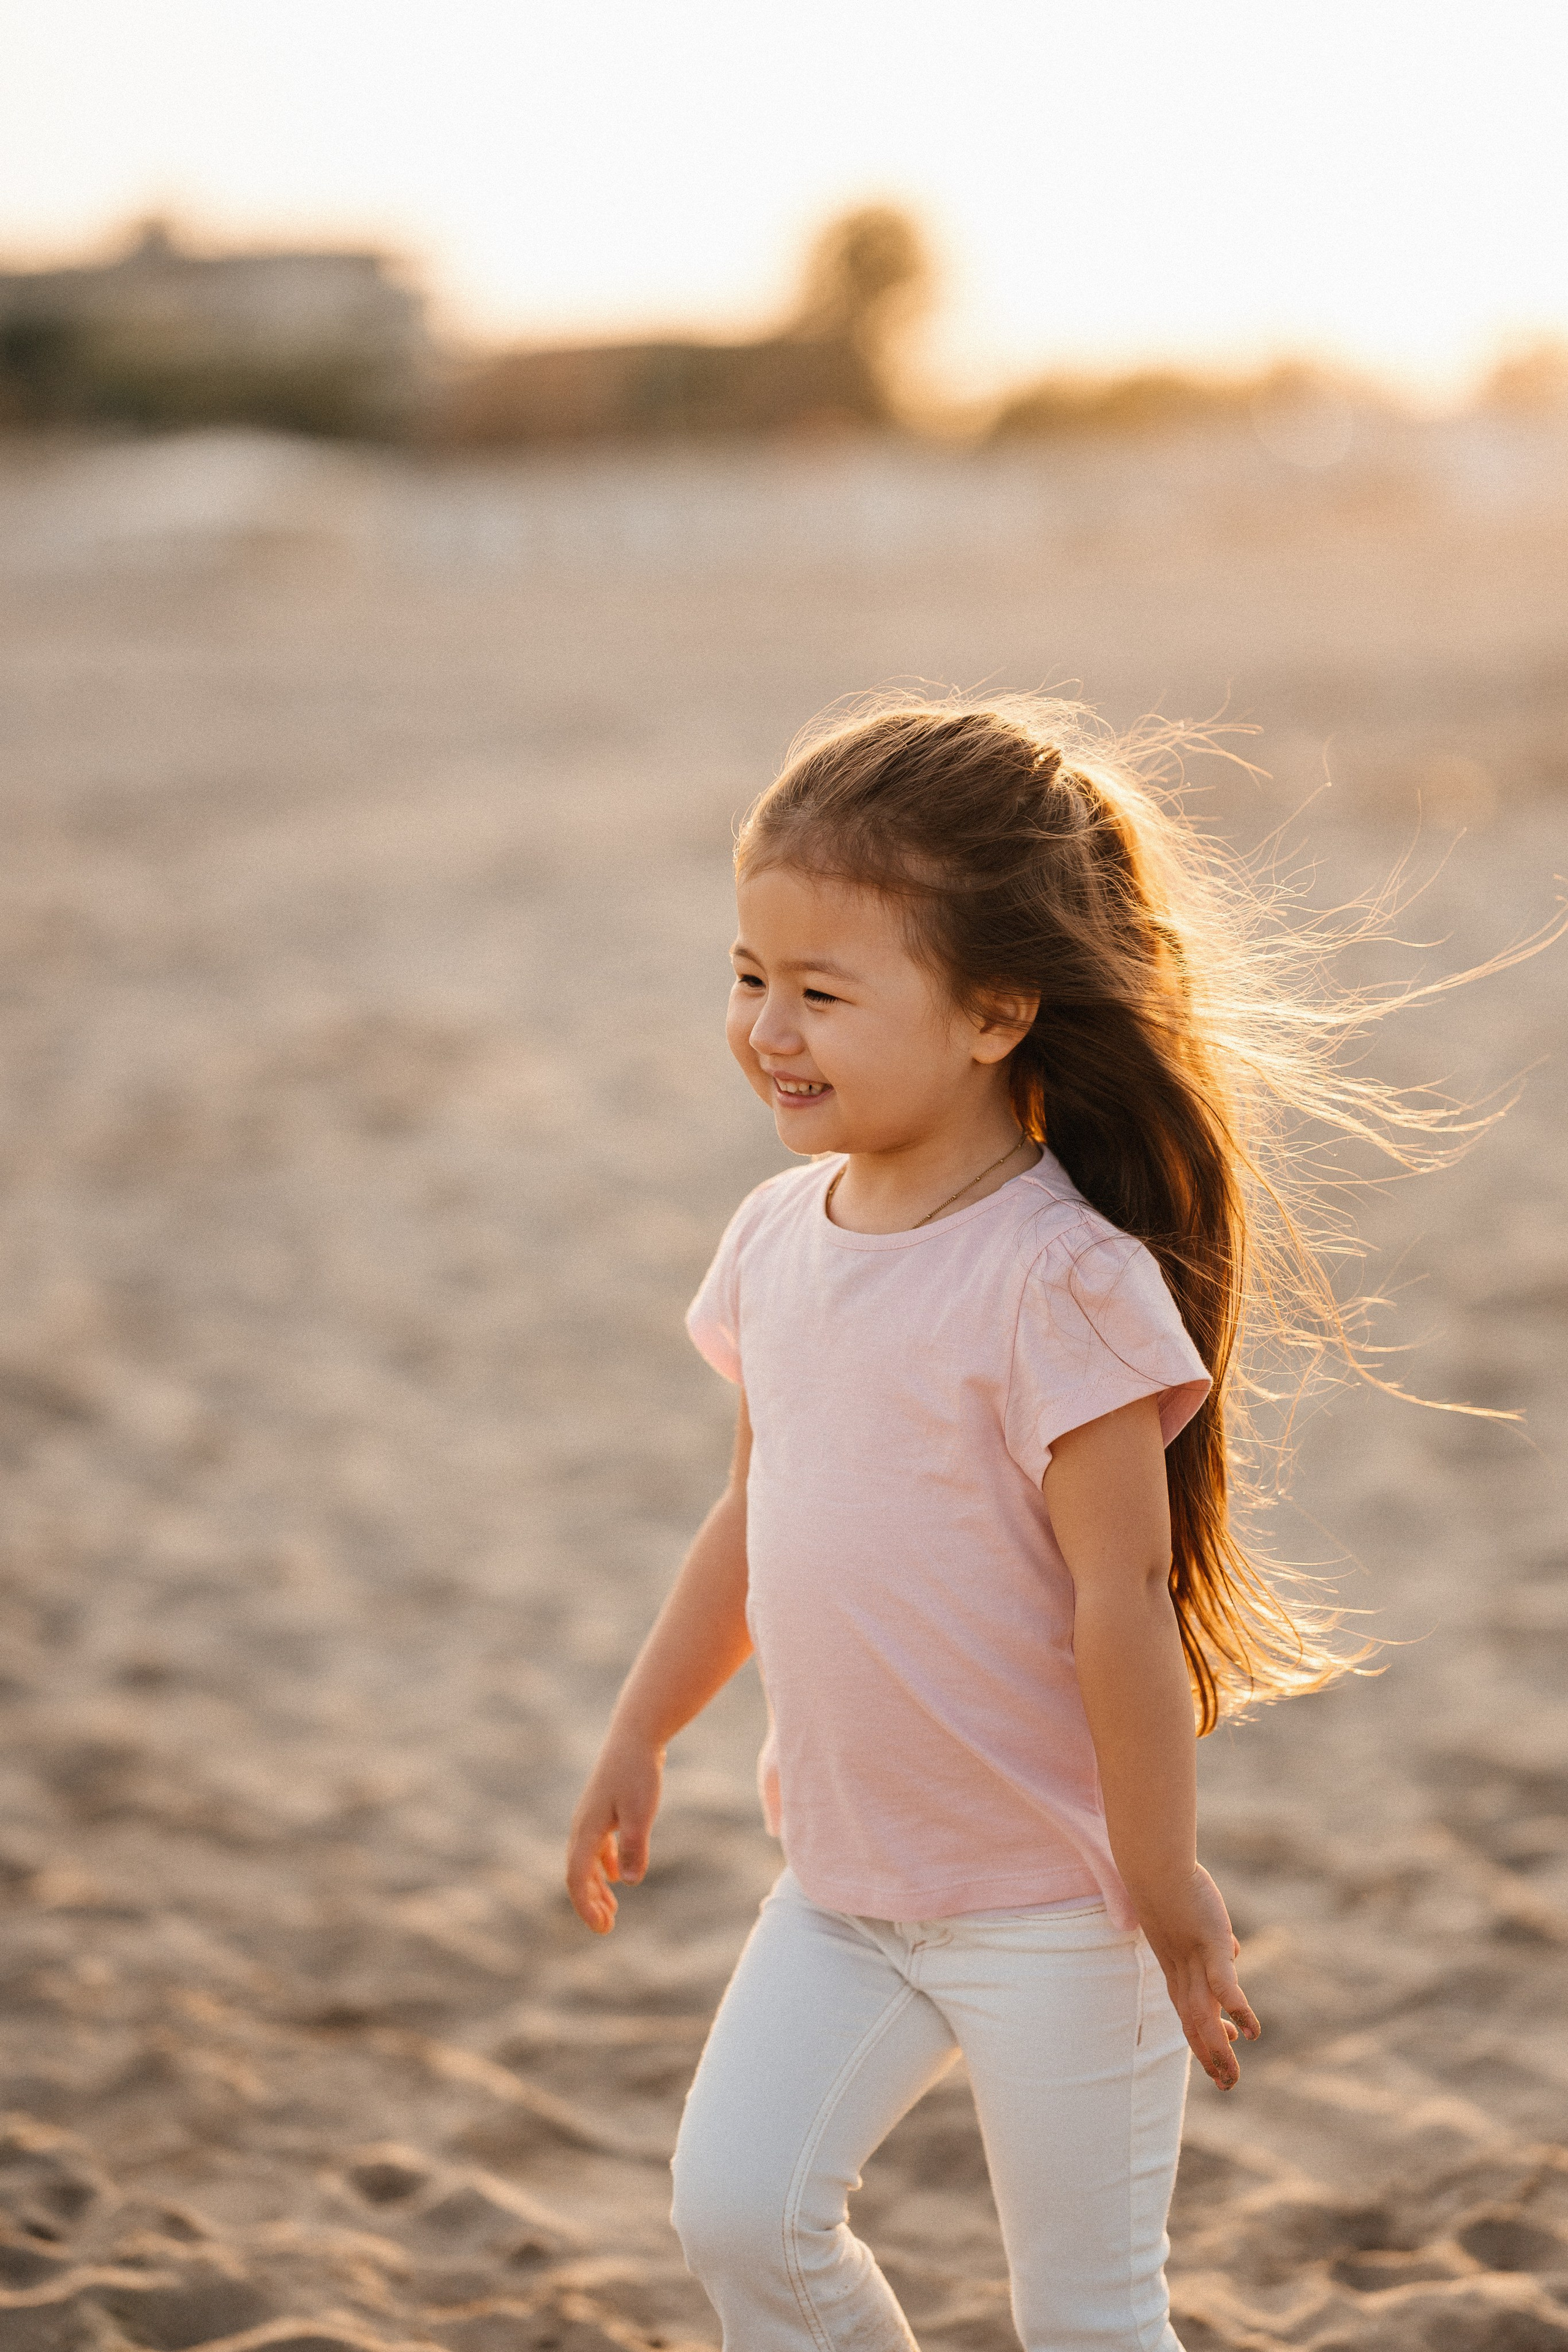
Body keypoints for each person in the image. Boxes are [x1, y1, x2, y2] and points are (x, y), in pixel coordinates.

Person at [562, 698, 1445, 2351]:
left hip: (1058, 1899)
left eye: (823, 993)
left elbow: (1123, 1602)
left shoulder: (1065, 1281)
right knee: (742, 2213)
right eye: (749, 978)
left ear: (995, 1012)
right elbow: (759, 1510)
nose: (769, 1029)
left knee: (1089, 2317)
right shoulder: (773, 1237)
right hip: (840, 1882)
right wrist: (641, 1727)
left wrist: (1164, 1878)